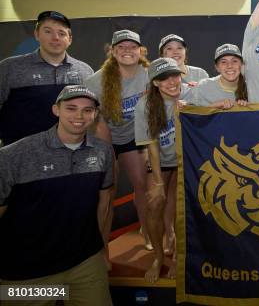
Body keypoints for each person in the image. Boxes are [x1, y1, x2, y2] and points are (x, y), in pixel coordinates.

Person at [0, 85, 113, 306]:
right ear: (56, 110)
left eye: (87, 110)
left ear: (95, 114)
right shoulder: (13, 156)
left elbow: (105, 202)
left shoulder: (103, 151)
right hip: (25, 276)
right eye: (71, 108)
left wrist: (100, 250)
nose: (79, 116)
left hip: (84, 267)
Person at [85, 29, 151, 249]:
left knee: (142, 184)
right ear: (112, 51)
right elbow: (94, 118)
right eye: (121, 47)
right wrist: (107, 148)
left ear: (140, 50)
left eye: (132, 47)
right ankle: (101, 248)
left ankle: (148, 232)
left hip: (134, 136)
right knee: (107, 191)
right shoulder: (96, 80)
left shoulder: (149, 73)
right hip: (105, 135)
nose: (127, 51)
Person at [0, 11, 93, 146]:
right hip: (21, 155)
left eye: (62, 33)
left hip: (72, 154)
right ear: (37, 34)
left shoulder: (85, 71)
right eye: (48, 31)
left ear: (70, 39)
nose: (55, 38)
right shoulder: (9, 68)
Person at [135, 58, 184, 282]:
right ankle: (157, 256)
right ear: (155, 83)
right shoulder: (145, 105)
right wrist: (158, 183)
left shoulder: (191, 95)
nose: (171, 82)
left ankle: (177, 256)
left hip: (185, 161)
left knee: (180, 207)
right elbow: (152, 145)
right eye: (164, 78)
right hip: (160, 160)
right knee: (155, 204)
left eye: (174, 75)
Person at [183, 44, 248, 108]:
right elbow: (189, 114)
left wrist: (245, 108)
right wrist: (213, 107)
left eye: (234, 61)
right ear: (217, 67)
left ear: (242, 65)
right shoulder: (202, 87)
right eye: (224, 62)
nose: (229, 66)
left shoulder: (251, 88)